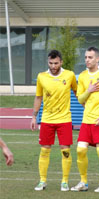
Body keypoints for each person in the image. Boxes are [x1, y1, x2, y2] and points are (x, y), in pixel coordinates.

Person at [31, 50, 77, 191]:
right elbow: (38, 97)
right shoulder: (41, 77)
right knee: (44, 150)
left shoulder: (69, 75)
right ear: (48, 62)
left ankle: (64, 181)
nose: (53, 66)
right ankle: (42, 181)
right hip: (47, 119)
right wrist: (34, 116)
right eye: (50, 63)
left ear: (61, 62)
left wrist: (88, 105)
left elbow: (77, 92)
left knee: (65, 151)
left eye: (56, 63)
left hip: (64, 119)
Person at [71, 47, 99, 192]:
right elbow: (80, 98)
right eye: (86, 57)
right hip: (86, 120)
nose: (87, 60)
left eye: (90, 57)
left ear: (97, 59)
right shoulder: (82, 76)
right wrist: (89, 90)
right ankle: (83, 182)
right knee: (80, 150)